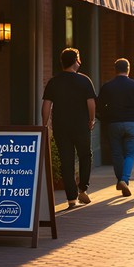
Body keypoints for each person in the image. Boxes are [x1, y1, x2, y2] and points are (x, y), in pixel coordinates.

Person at [41, 48, 97, 209]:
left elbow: (46, 105)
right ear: (75, 61)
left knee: (66, 161)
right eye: (78, 59)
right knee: (85, 155)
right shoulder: (84, 81)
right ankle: (83, 188)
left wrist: (45, 124)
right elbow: (91, 103)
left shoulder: (54, 81)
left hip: (61, 126)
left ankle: (71, 199)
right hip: (81, 125)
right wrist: (91, 120)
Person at [98, 58, 134, 197]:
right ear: (128, 69)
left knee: (116, 154)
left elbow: (99, 107)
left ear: (115, 70)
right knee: (130, 154)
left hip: (114, 123)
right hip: (132, 123)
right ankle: (124, 179)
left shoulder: (107, 86)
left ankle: (121, 180)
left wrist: (106, 118)